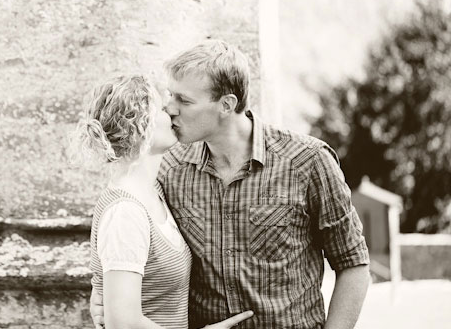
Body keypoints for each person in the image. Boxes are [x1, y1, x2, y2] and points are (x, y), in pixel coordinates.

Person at [90, 40, 371, 329]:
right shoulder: (169, 168)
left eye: (184, 101)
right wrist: (104, 302)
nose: (170, 109)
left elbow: (353, 264)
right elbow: (124, 249)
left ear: (226, 105)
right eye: (171, 95)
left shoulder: (308, 161)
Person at [74, 75, 254, 329]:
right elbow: (122, 324)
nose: (171, 109)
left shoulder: (154, 189)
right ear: (140, 124)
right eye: (161, 106)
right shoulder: (125, 212)